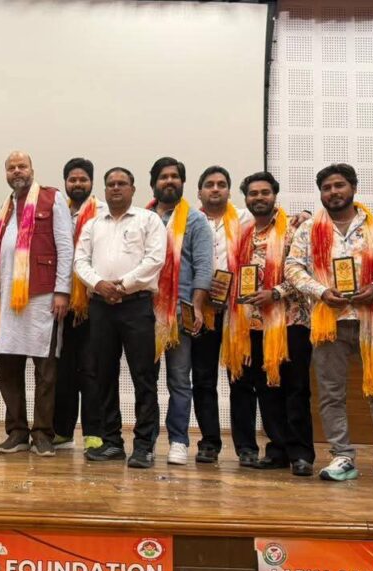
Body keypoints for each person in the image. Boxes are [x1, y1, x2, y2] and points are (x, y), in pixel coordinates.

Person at [285, 163, 373, 482]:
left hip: (372, 319)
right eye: (326, 188)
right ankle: (342, 456)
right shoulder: (308, 229)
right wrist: (321, 291)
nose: (333, 192)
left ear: (353, 187)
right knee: (331, 393)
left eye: (339, 185)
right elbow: (293, 268)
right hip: (329, 320)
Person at [221, 171, 314, 476]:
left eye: (264, 192)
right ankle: (278, 450)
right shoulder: (243, 233)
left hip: (291, 320)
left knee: (295, 389)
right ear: (246, 199)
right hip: (253, 324)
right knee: (267, 390)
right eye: (253, 193)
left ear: (275, 195)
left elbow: (305, 271)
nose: (259, 198)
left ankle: (301, 454)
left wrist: (275, 292)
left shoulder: (295, 228)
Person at [75, 167, 165, 468]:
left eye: (122, 183)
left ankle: (144, 446)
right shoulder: (92, 224)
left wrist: (122, 286)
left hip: (136, 306)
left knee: (144, 376)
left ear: (133, 189)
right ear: (104, 190)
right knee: (104, 375)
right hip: (101, 307)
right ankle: (112, 442)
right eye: (111, 184)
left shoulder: (148, 220)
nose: (116, 188)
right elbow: (80, 261)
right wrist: (99, 284)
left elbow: (155, 259)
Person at [0, 151, 73, 457]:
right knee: (7, 368)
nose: (17, 171)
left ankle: (43, 433)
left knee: (46, 370)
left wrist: (62, 290)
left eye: (22, 166)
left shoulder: (52, 198)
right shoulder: (6, 206)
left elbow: (65, 245)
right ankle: (18, 432)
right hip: (7, 299)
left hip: (43, 296)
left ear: (32, 170)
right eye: (11, 168)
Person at [146, 157, 213, 465]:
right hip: (145, 313)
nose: (169, 181)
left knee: (179, 380)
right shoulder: (143, 218)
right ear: (153, 183)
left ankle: (178, 441)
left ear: (183, 183)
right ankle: (146, 440)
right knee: (145, 380)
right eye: (163, 177)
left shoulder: (195, 220)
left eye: (174, 176)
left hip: (180, 312)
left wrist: (197, 306)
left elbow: (203, 267)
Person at [191, 165, 251, 464]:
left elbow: (281, 222)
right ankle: (209, 443)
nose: (215, 189)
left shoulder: (245, 218)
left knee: (241, 380)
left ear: (229, 190)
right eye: (209, 185)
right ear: (199, 192)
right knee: (203, 380)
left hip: (238, 311)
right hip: (202, 310)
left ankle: (247, 447)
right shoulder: (190, 220)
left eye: (221, 184)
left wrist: (303, 213)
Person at [53, 157, 104, 453]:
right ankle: (62, 431)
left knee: (90, 369)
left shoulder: (103, 213)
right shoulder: (57, 212)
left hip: (93, 302)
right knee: (63, 370)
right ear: (65, 183)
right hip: (61, 303)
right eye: (72, 179)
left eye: (83, 179)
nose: (77, 184)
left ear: (91, 182)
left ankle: (94, 433)